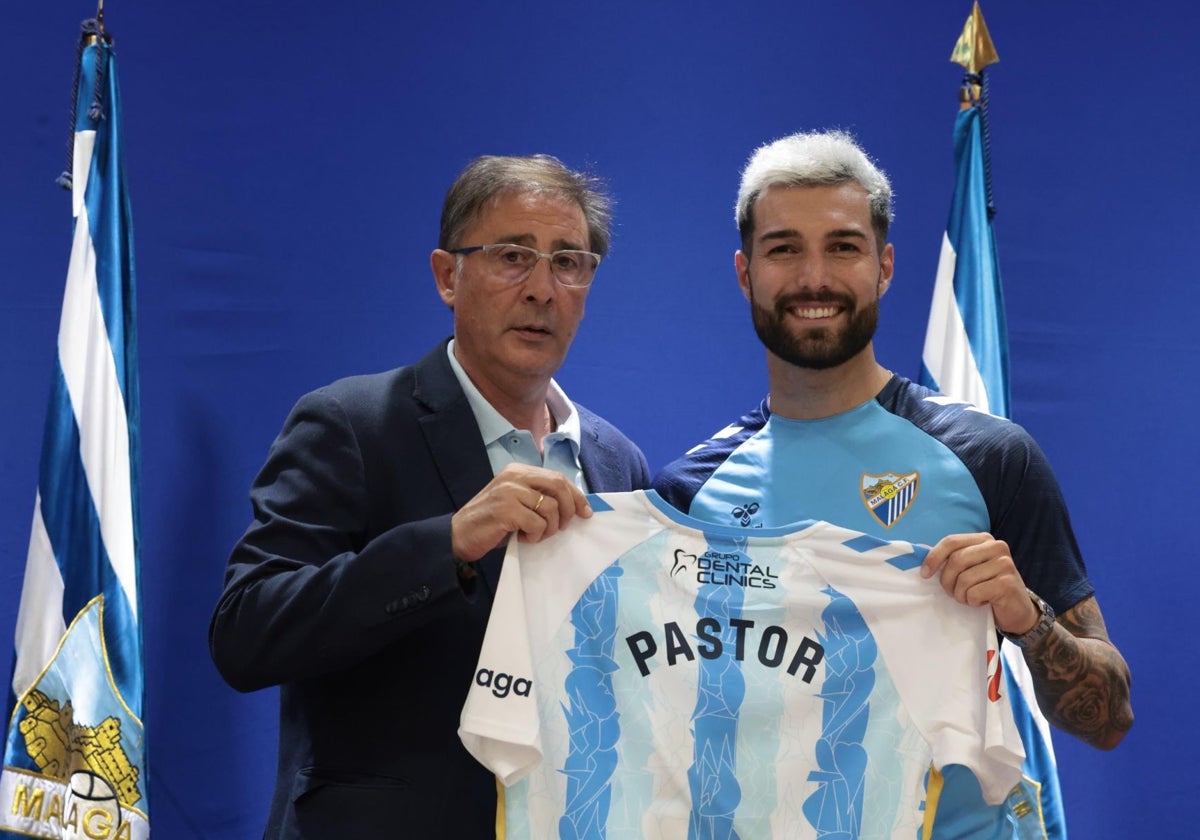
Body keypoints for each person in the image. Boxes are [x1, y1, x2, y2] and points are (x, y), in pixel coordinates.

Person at [653, 130, 1133, 836]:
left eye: (843, 247)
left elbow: (1110, 718)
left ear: (884, 267)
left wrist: (1025, 617)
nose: (814, 276)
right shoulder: (688, 494)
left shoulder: (990, 455)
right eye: (783, 248)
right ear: (743, 272)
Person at [209, 154, 650, 839]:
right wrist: (444, 545)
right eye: (513, 256)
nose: (543, 289)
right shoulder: (352, 424)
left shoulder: (618, 463)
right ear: (449, 276)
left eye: (570, 261)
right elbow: (246, 634)